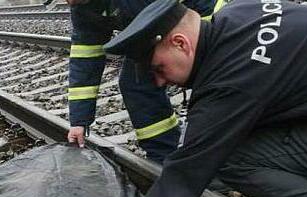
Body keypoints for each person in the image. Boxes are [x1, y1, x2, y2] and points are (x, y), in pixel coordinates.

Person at [104, 0, 307, 197]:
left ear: (181, 43)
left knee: (230, 157)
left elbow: (182, 180)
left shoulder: (231, 81)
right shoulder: (237, 12)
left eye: (159, 68)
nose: (159, 82)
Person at [65, 0, 226, 163]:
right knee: (136, 83)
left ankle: (223, 157)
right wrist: (79, 121)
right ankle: (164, 155)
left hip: (207, 14)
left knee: (213, 83)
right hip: (168, 18)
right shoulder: (82, 8)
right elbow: (85, 59)